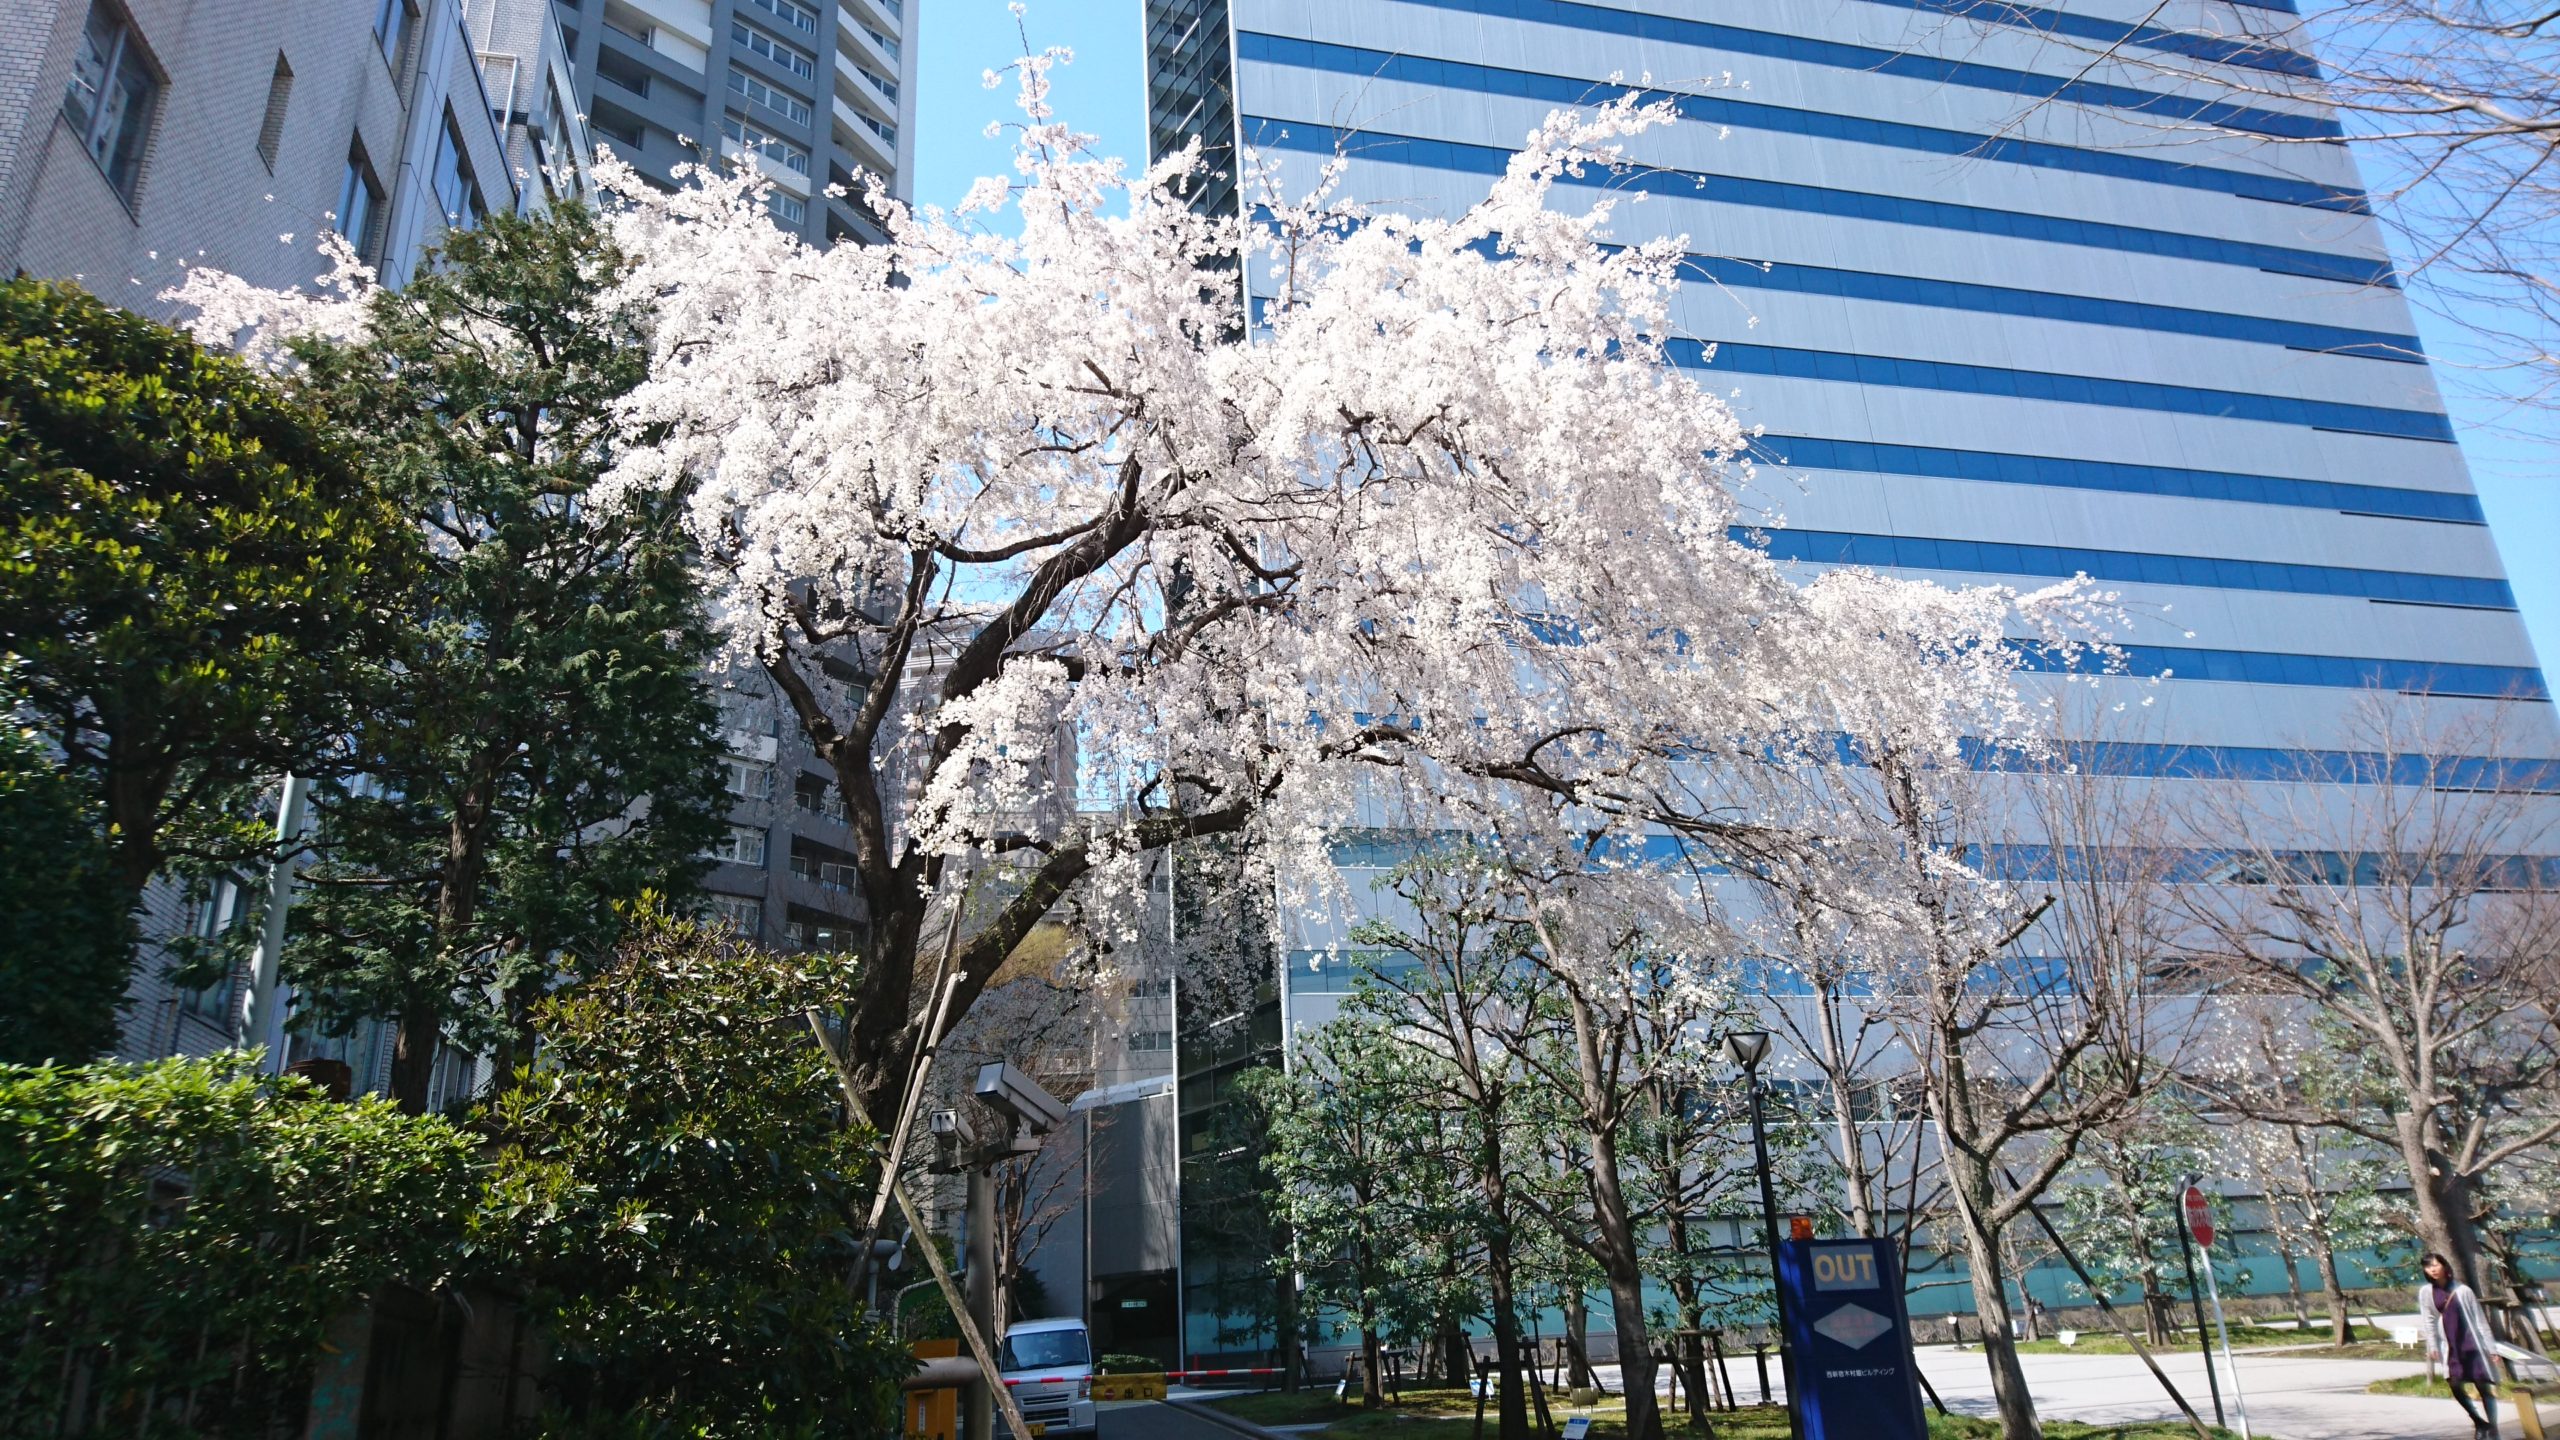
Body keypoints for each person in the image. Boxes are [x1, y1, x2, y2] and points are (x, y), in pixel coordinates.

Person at [2419, 1253, 2500, 1438]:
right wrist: (2432, 1345)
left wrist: (2491, 1348)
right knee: (2454, 1384)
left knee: (2482, 1385)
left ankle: (2493, 1426)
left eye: (2435, 1264)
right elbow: (2428, 1320)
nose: (2432, 1269)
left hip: (2472, 1344)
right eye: (2427, 1266)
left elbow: (2480, 1320)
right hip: (2450, 1344)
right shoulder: (2426, 1292)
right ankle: (2479, 1421)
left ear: (2444, 1266)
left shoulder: (2464, 1290)